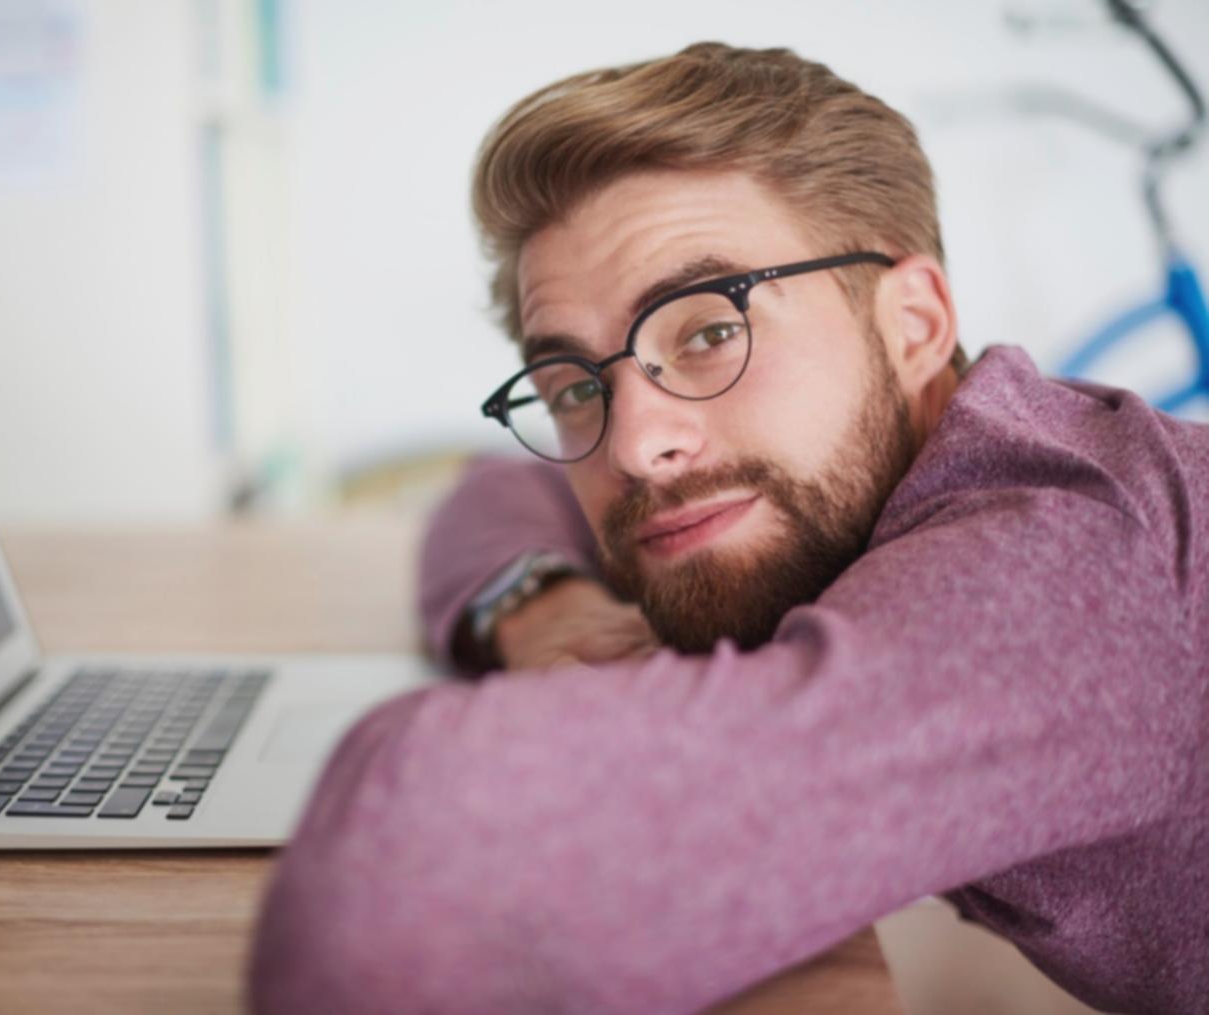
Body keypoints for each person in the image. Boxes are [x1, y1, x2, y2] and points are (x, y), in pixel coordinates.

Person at [248, 41, 1208, 1013]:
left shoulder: (1065, 577)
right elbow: (497, 490)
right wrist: (546, 611)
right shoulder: (909, 472)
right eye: (573, 387)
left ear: (913, 323)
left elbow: (390, 897)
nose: (634, 446)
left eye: (709, 333)